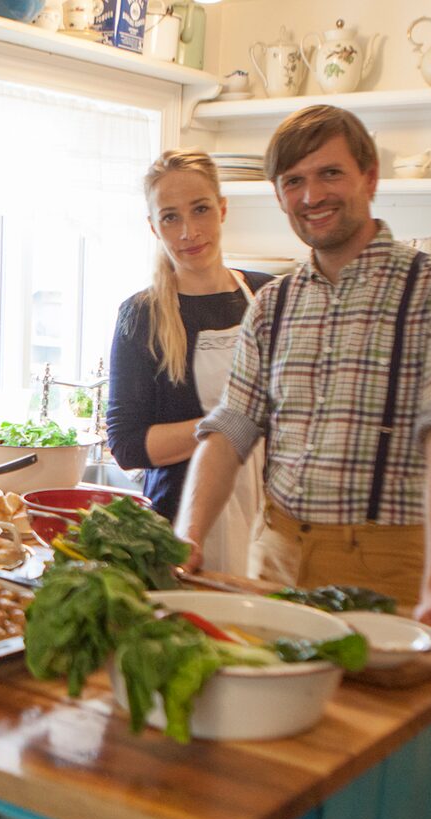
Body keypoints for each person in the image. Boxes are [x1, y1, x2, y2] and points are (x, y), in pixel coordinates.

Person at [174, 106, 431, 679]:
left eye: (330, 174)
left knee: (367, 741)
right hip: (273, 554)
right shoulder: (272, 304)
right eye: (294, 181)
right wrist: (187, 537)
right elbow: (230, 427)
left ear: (369, 177)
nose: (312, 196)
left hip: (387, 563)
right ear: (279, 197)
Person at [105, 149, 273, 574]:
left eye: (200, 210)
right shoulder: (142, 315)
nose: (189, 232)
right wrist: (233, 423)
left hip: (273, 524)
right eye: (170, 217)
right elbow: (126, 445)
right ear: (153, 227)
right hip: (179, 531)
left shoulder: (270, 298)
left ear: (222, 209)